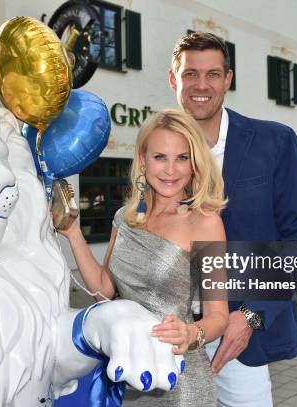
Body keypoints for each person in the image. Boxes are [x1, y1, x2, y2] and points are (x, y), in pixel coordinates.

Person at [169, 32, 297, 406]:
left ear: (228, 79)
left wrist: (252, 314)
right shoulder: (159, 150)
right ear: (174, 79)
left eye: (213, 74)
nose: (201, 85)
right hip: (169, 331)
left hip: (239, 329)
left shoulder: (275, 142)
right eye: (190, 74)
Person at [59, 109, 229, 406]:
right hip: (131, 377)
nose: (170, 170)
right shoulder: (124, 219)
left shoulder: (206, 223)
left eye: (182, 158)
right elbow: (104, 290)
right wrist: (73, 233)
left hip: (182, 378)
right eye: (160, 157)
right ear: (142, 159)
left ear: (194, 164)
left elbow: (218, 317)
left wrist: (190, 333)